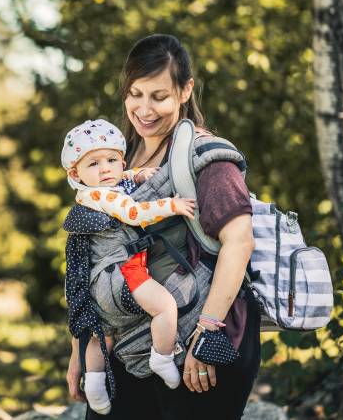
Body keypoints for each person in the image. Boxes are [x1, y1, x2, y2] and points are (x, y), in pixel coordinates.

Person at [65, 34, 260, 420]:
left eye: (158, 96)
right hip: (124, 343)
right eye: (135, 94)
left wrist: (207, 334)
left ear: (185, 90)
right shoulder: (117, 161)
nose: (143, 108)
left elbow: (239, 241)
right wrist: (80, 350)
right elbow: (88, 256)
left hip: (197, 339)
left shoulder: (206, 154)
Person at [60, 119, 196, 414]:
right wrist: (171, 206)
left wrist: (136, 175)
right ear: (75, 173)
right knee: (165, 307)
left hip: (98, 285)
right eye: (94, 164)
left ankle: (95, 385)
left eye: (112, 160)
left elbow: (119, 181)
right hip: (123, 274)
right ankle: (161, 356)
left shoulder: (91, 192)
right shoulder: (103, 195)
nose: (106, 168)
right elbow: (134, 213)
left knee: (102, 335)